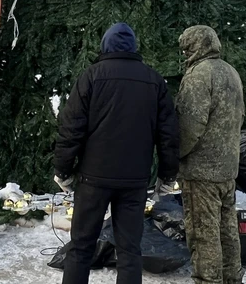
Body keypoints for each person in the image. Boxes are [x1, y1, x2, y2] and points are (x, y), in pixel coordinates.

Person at [54, 23, 180, 284]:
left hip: (93, 179)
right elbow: (168, 134)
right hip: (134, 181)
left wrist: (63, 169)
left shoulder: (91, 76)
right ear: (134, 47)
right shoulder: (153, 80)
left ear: (105, 46)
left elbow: (71, 128)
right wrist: (167, 176)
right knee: (130, 251)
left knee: (81, 248)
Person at [175, 26, 244, 284]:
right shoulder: (230, 72)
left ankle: (208, 281)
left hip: (201, 171)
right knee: (228, 231)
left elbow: (189, 126)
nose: (184, 52)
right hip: (227, 167)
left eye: (186, 47)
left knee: (204, 234)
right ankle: (232, 279)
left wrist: (176, 155)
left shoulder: (198, 75)